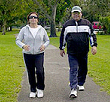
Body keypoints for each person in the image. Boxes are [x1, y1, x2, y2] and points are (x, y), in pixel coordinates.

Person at [59, 6, 97, 98]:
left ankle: (80, 83)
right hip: (72, 52)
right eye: (74, 13)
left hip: (83, 51)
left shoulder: (87, 23)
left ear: (81, 14)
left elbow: (91, 35)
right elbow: (63, 37)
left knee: (83, 69)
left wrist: (94, 46)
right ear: (72, 14)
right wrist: (62, 48)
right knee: (73, 69)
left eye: (78, 13)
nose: (76, 15)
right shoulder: (67, 24)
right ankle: (73, 89)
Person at [16, 12, 49, 98]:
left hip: (39, 54)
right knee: (30, 72)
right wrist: (23, 45)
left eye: (35, 17)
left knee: (39, 71)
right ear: (29, 20)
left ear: (37, 20)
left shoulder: (42, 29)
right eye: (31, 17)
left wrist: (44, 46)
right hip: (28, 54)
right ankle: (33, 90)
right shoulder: (24, 29)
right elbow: (18, 40)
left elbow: (47, 40)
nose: (33, 19)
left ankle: (40, 89)